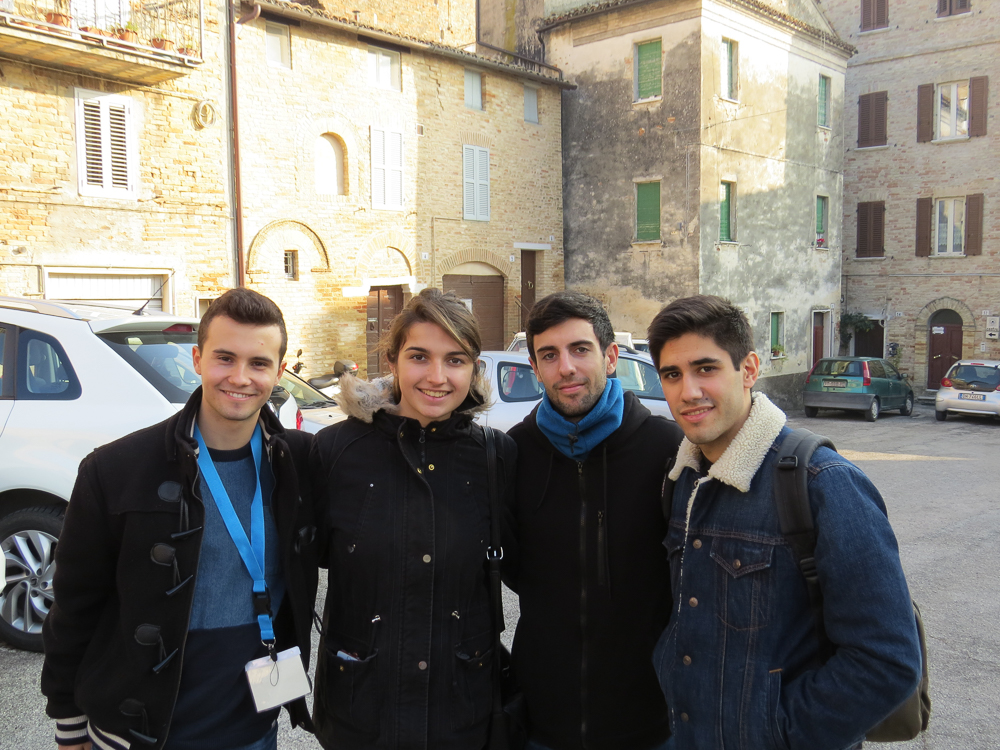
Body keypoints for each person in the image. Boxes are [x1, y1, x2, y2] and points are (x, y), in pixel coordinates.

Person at [41, 288, 318, 750]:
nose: (240, 377)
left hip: (253, 732)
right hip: (136, 734)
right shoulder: (115, 470)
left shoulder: (301, 462)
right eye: (224, 358)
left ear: (279, 371)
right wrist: (68, 719)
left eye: (258, 363)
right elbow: (75, 604)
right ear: (197, 359)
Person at [646, 295, 922, 750]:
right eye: (672, 374)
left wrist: (780, 734)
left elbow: (886, 661)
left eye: (706, 368)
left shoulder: (824, 483)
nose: (688, 391)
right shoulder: (682, 480)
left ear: (749, 369)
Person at [309, 288, 517, 750]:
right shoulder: (336, 451)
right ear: (392, 361)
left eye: (455, 360)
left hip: (461, 713)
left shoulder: (495, 457)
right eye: (419, 357)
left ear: (474, 369)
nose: (437, 377)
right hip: (361, 712)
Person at [506, 291, 684, 750]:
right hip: (543, 723)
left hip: (650, 724)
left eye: (580, 349)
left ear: (610, 357)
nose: (565, 367)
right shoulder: (513, 453)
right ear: (535, 367)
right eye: (549, 355)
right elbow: (510, 566)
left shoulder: (669, 451)